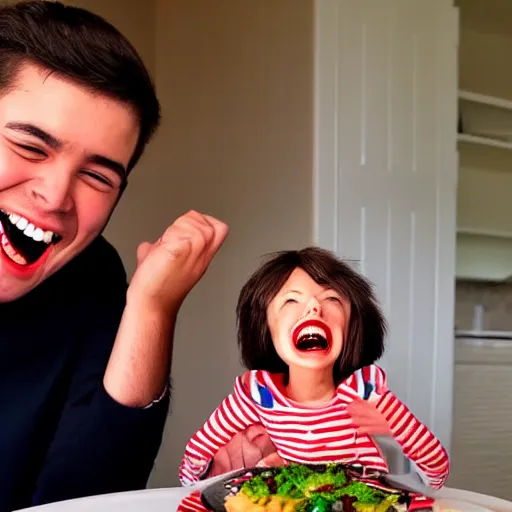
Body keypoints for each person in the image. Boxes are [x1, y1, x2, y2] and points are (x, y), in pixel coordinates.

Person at [0, 1, 230, 510]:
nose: (57, 196)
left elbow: (94, 498)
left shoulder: (94, 275)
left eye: (98, 176)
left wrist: (150, 309)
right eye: (30, 147)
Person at [177, 247, 450, 512]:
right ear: (265, 328)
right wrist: (194, 485)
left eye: (332, 299)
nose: (313, 308)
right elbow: (196, 457)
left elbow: (436, 475)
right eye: (290, 300)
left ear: (352, 326)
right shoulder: (259, 395)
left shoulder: (364, 392)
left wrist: (397, 424)